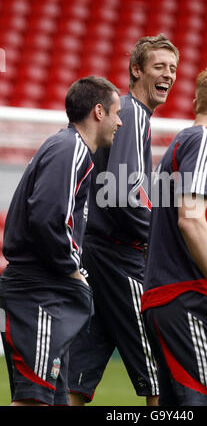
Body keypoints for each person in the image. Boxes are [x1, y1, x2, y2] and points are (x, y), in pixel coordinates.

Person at [68, 34, 179, 406]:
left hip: (97, 256)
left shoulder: (130, 115)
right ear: (136, 70)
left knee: (78, 378)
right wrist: (163, 236)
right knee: (162, 375)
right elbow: (121, 195)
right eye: (159, 67)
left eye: (173, 68)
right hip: (121, 259)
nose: (168, 75)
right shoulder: (131, 114)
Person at [0, 76, 122, 406]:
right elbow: (47, 217)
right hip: (39, 293)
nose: (120, 121)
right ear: (99, 112)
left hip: (44, 292)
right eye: (116, 113)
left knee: (52, 400)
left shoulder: (65, 147)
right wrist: (73, 270)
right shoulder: (72, 150)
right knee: (33, 401)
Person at [141, 65, 207, 406]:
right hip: (188, 297)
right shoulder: (203, 142)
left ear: (195, 101)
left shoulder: (182, 144)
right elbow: (191, 219)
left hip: (169, 298)